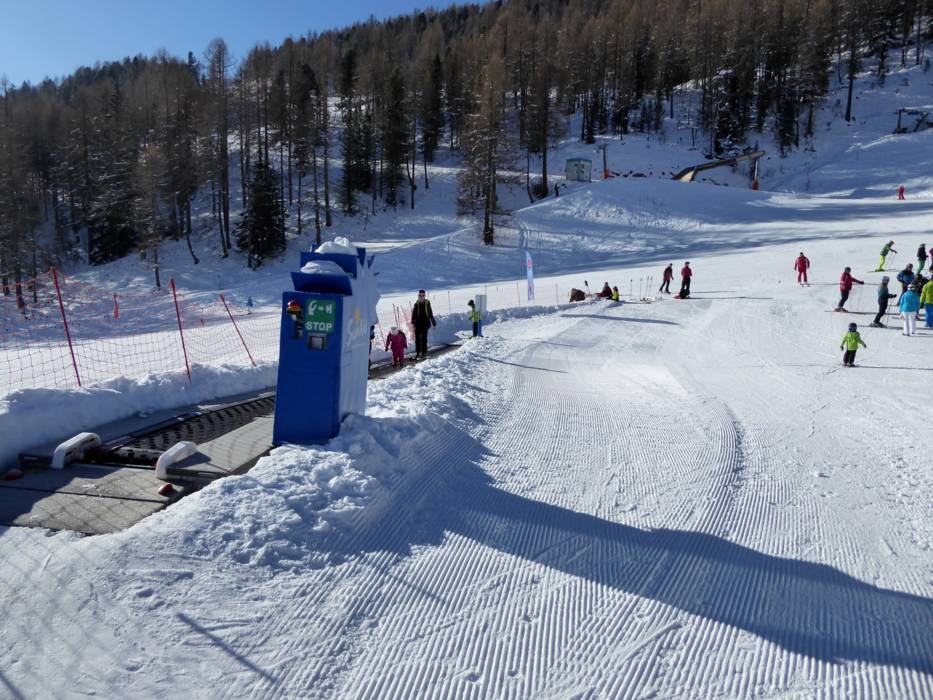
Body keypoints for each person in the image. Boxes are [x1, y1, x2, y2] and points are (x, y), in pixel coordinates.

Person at [411, 289, 436, 359]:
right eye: (420, 295)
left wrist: (433, 322)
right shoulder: (416, 304)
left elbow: (430, 313)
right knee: (417, 339)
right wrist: (413, 322)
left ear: (424, 296)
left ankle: (424, 352)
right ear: (418, 295)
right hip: (418, 324)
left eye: (422, 295)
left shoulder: (427, 303)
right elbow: (413, 314)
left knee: (424, 339)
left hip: (425, 323)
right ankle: (418, 352)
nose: (421, 297)